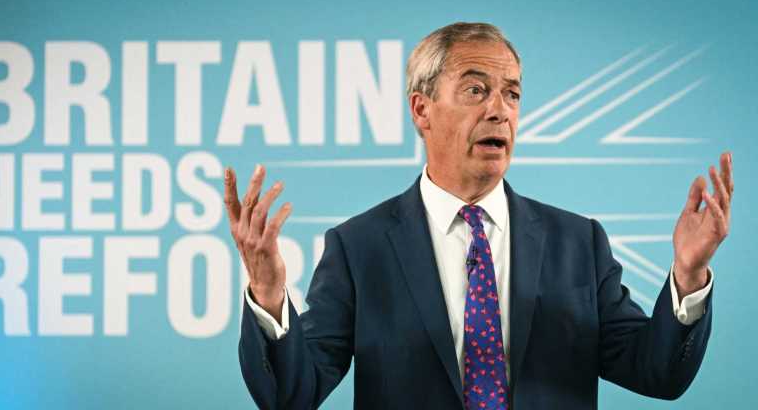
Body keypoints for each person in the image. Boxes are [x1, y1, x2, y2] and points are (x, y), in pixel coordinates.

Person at [225, 22, 732, 409]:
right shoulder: (360, 248)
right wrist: (268, 294)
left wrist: (687, 276)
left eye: (512, 93)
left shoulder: (577, 243)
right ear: (421, 110)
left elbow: (657, 374)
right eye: (476, 90)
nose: (500, 110)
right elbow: (292, 394)